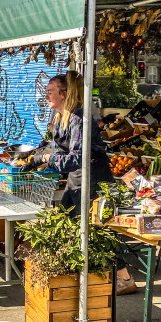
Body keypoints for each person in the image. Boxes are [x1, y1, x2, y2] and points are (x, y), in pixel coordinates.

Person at [22, 71, 137, 294]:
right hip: (77, 179)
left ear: (64, 94)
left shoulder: (78, 119)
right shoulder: (61, 117)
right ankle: (69, 272)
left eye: (50, 92)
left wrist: (45, 159)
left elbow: (78, 157)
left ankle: (125, 279)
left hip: (93, 180)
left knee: (99, 230)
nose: (46, 96)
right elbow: (58, 150)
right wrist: (36, 156)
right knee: (63, 222)